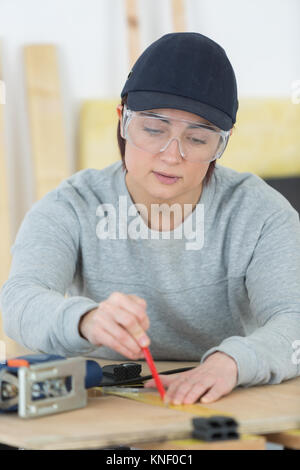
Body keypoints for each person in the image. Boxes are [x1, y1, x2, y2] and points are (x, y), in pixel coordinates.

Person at [1, 32, 300, 407]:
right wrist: (85, 319)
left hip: (222, 399)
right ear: (123, 121)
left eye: (197, 139)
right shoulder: (72, 205)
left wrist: (233, 363)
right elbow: (18, 301)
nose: (171, 155)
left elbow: (294, 320)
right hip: (104, 405)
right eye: (154, 130)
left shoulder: (261, 213)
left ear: (222, 144)